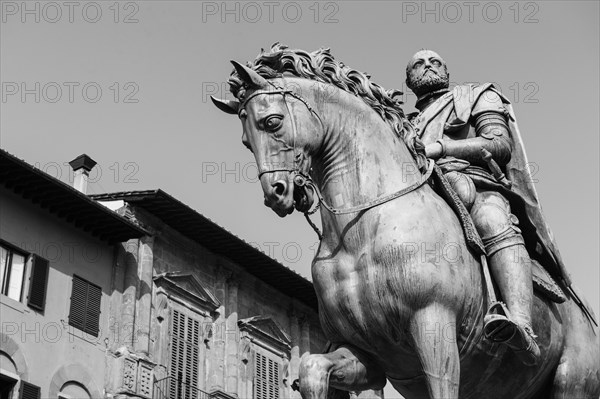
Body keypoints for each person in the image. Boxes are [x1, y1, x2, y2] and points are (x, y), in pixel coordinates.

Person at [404, 49, 570, 366]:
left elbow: (499, 144)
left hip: (475, 185)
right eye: (418, 64)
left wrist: (442, 147)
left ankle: (523, 328)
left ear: (447, 70)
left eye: (434, 61)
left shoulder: (477, 95)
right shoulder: (406, 124)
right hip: (425, 196)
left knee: (494, 219)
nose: (427, 66)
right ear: (409, 79)